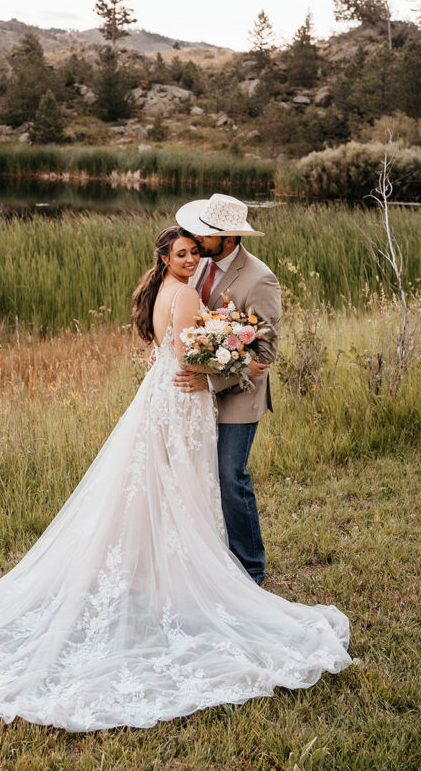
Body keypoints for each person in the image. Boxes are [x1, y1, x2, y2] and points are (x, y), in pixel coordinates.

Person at [0, 226, 350, 732]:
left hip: (166, 394)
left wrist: (217, 345)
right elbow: (190, 356)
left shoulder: (170, 287)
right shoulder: (187, 292)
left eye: (196, 250)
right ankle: (190, 577)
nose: (192, 258)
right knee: (183, 486)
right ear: (166, 258)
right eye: (183, 252)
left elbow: (190, 345)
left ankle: (167, 571)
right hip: (183, 399)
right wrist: (222, 350)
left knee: (163, 486)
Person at [174, 193, 281, 586]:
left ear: (230, 238)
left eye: (206, 234)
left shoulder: (260, 278)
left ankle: (252, 568)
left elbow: (264, 354)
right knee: (199, 473)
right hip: (196, 397)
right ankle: (214, 558)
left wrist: (211, 379)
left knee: (229, 475)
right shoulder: (197, 264)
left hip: (239, 396)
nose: (197, 239)